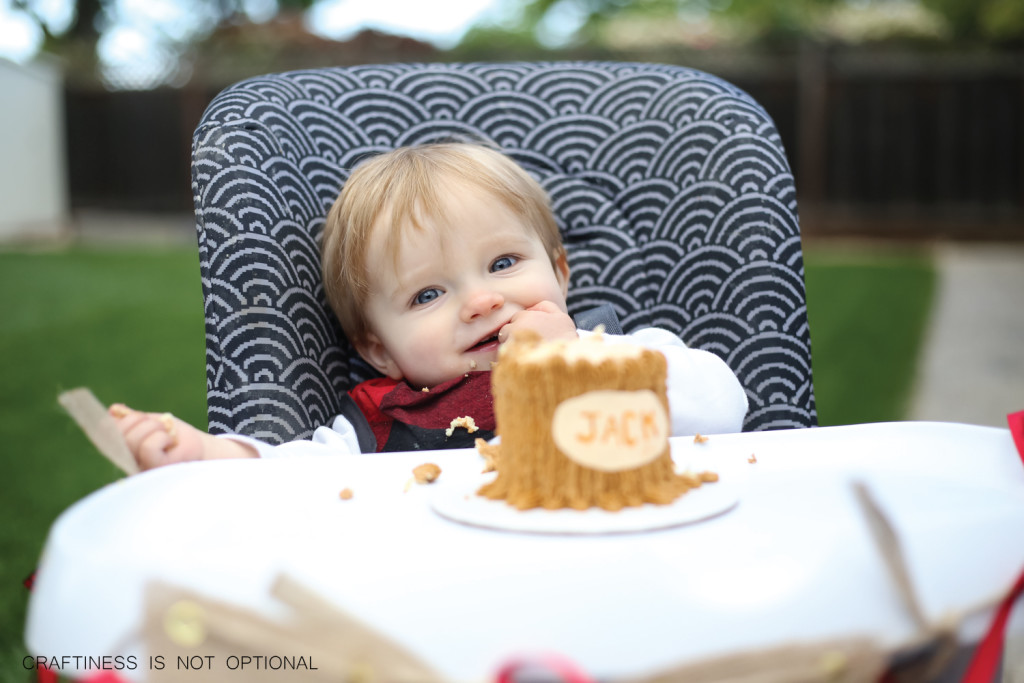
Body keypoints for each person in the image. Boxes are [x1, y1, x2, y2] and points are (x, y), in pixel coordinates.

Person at [112, 143, 748, 470]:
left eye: (503, 264)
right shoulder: (385, 426)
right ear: (379, 350)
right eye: (427, 294)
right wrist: (199, 455)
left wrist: (575, 363)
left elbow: (724, 410)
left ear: (559, 272)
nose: (481, 301)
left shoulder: (626, 357)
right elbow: (290, 476)